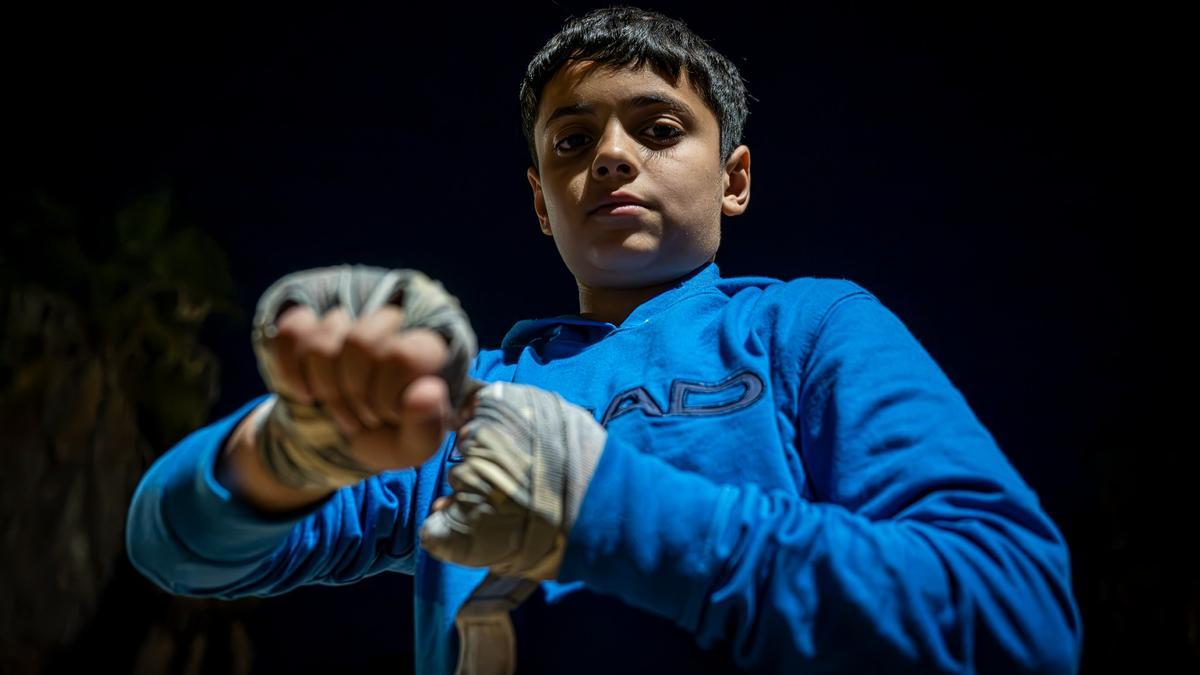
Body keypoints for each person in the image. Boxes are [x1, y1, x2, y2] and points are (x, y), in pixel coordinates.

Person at [125, 6, 1083, 674]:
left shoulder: (807, 327)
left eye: (660, 127)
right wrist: (290, 448)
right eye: (571, 141)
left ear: (735, 179)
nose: (613, 155)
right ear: (540, 203)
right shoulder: (470, 403)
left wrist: (607, 508)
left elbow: (1017, 618)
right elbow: (174, 545)